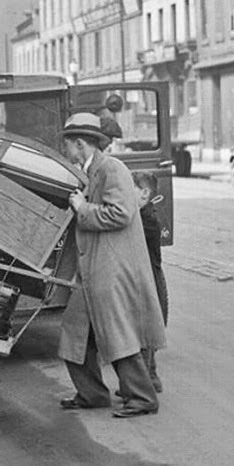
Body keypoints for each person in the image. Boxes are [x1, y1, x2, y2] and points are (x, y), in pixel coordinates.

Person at [57, 113, 166, 418]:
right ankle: (91, 394)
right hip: (93, 267)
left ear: (80, 144)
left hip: (111, 267)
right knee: (74, 330)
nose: (66, 151)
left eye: (67, 145)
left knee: (117, 333)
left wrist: (82, 208)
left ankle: (143, 398)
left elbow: (120, 214)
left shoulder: (112, 168)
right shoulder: (91, 171)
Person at [131, 170, 167, 394]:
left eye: (130, 188)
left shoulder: (146, 221)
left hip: (148, 281)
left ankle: (141, 389)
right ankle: (151, 379)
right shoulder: (145, 216)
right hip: (150, 278)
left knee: (142, 335)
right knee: (145, 335)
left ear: (144, 194)